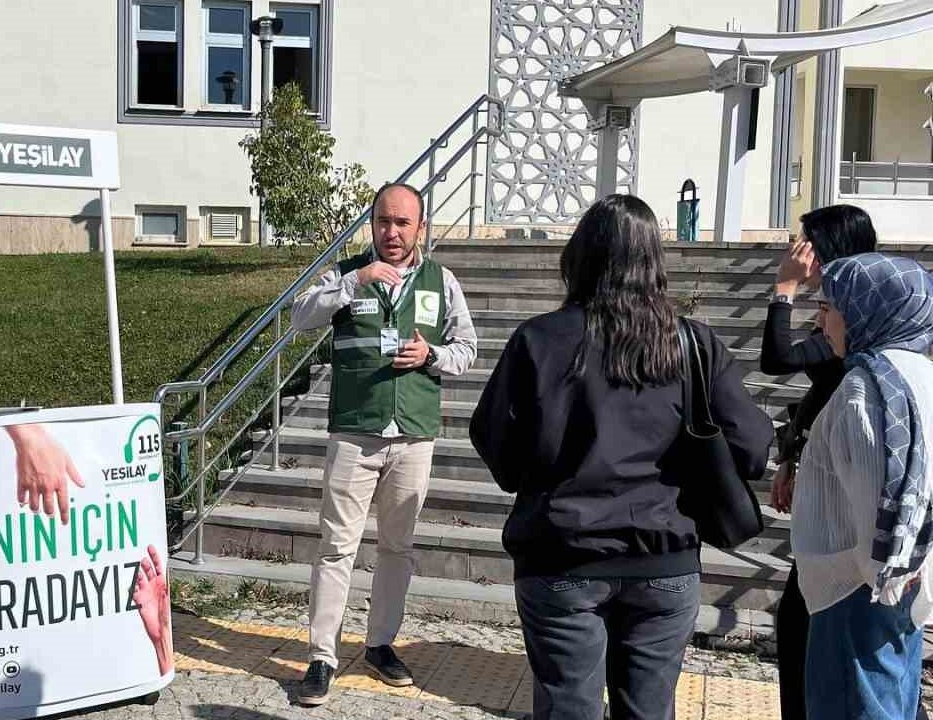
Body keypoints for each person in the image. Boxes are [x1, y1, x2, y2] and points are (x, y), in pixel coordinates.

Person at [470, 195, 773, 720]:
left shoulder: (539, 339)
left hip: (561, 554)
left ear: (579, 256)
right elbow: (752, 448)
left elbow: (498, 446)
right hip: (664, 556)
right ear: (654, 261)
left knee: (567, 708)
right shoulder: (691, 344)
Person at [289, 182, 477, 705]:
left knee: (397, 549)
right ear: (371, 223)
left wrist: (432, 355)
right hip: (355, 433)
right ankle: (322, 657)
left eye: (402, 223)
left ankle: (380, 644)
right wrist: (354, 281)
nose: (391, 233)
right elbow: (302, 315)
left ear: (421, 228)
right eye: (383, 222)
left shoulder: (442, 281)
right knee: (336, 549)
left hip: (414, 435)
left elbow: (468, 347)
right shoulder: (347, 272)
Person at [792, 253, 933, 720]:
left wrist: (883, 577)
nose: (821, 320)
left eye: (830, 307)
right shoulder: (920, 373)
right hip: (903, 581)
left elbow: (880, 500)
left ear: (865, 312)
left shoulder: (866, 387)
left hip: (858, 588)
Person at [759, 204, 883, 720]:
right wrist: (790, 455)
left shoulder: (857, 316)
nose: (795, 251)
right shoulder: (842, 310)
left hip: (852, 501)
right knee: (800, 623)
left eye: (804, 243)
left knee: (808, 624)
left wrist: (783, 290)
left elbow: (779, 359)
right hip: (826, 483)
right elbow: (818, 389)